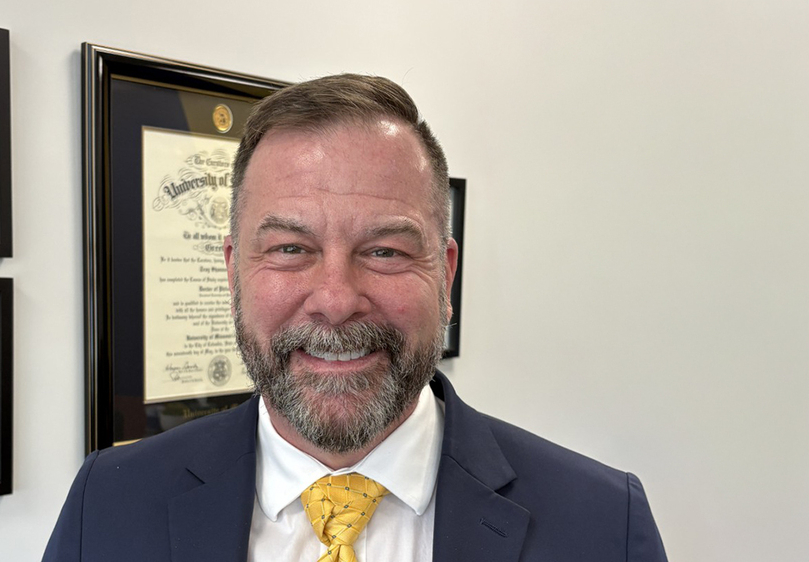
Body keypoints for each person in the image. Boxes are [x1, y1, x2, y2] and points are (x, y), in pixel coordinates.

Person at [43, 74, 668, 562]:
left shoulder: (604, 526)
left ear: (445, 274)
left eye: (384, 251)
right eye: (291, 249)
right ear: (234, 269)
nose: (337, 300)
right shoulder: (110, 500)